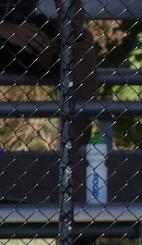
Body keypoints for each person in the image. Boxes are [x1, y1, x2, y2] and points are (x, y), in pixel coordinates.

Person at [0, 0, 97, 149]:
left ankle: (76, 157)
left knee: (81, 42)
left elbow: (75, 23)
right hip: (6, 30)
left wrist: (64, 36)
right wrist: (5, 29)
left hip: (24, 32)